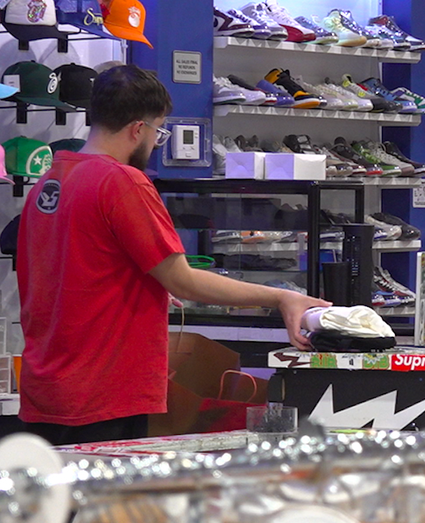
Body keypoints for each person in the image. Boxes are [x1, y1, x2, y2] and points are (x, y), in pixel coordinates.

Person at [16, 65, 330, 445]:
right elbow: (183, 279)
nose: (155, 142)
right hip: (104, 394)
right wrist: (282, 296)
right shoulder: (122, 181)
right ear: (137, 129)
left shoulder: (48, 183)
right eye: (157, 132)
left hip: (47, 389)